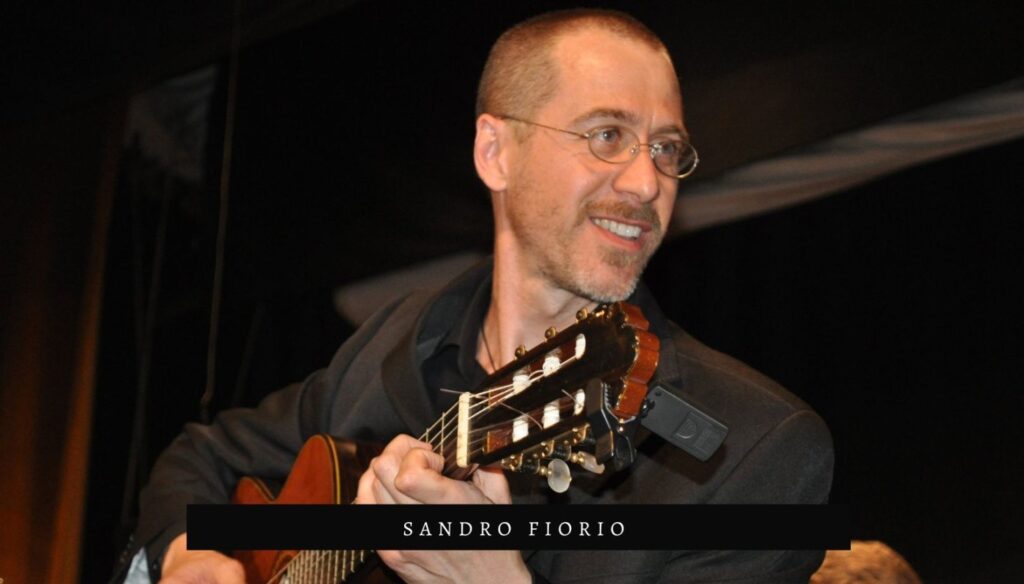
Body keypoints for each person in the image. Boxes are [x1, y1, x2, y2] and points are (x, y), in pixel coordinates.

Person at [121, 8, 834, 583]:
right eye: (608, 135)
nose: (647, 183)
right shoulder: (396, 346)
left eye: (667, 149)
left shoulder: (756, 451)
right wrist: (186, 554)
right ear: (496, 152)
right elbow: (201, 459)